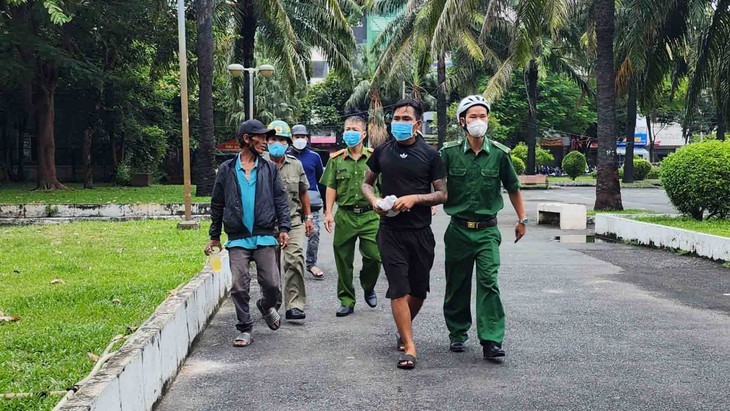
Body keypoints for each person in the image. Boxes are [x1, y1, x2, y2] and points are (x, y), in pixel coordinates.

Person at [439, 95, 527, 360]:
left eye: (483, 116)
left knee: (489, 282)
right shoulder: (449, 153)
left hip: (488, 230)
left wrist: (522, 219)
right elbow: (436, 185)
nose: (479, 121)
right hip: (458, 230)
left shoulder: (499, 154)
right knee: (457, 283)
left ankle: (491, 339)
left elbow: (513, 188)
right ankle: (457, 332)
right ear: (462, 121)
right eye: (473, 116)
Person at [362, 99, 447, 370]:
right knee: (398, 288)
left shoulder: (431, 155)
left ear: (417, 124)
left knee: (418, 290)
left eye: (405, 119)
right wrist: (374, 201)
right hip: (390, 232)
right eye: (396, 118)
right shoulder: (382, 151)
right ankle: (409, 347)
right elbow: (366, 183)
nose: (399, 123)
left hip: (420, 232)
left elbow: (443, 194)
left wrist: (415, 198)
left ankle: (403, 326)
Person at [205, 119, 291, 347]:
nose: (265, 142)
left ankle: (265, 305)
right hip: (237, 237)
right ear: (246, 139)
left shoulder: (269, 169)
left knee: (272, 284)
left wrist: (284, 228)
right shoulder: (226, 170)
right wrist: (214, 235)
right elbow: (217, 203)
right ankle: (244, 328)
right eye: (261, 137)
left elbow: (281, 200)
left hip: (264, 235)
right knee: (239, 285)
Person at [320, 116, 381, 317]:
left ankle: (368, 285)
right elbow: (331, 186)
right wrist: (328, 212)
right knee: (343, 261)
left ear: (363, 134)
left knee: (374, 257)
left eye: (354, 129)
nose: (350, 132)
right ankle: (346, 300)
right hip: (345, 216)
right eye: (347, 129)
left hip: (370, 216)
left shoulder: (375, 158)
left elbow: (383, 186)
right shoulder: (336, 159)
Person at [265, 121, 315, 321]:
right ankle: (271, 302)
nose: (277, 143)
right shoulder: (260, 165)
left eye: (281, 140)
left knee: (294, 260)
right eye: (273, 140)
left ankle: (294, 305)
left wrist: (308, 217)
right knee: (271, 268)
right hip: (267, 225)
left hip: (294, 221)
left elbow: (303, 193)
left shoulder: (295, 164)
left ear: (288, 143)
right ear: (267, 142)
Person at [289, 124, 326, 279]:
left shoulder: (314, 157)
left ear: (307, 138)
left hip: (312, 201)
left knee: (314, 233)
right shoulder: (285, 155)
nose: (300, 139)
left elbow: (321, 181)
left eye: (303, 136)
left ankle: (311, 264)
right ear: (291, 138)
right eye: (297, 136)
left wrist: (326, 204)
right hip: (290, 202)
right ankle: (289, 264)